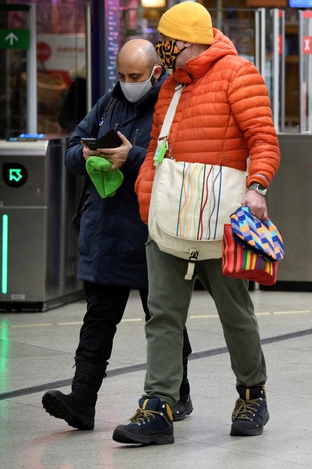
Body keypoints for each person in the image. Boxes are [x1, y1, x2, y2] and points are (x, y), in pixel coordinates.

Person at [112, 1, 280, 445]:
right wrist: (147, 198)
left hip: (222, 220)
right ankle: (158, 407)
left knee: (235, 313)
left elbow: (263, 138)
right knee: (162, 315)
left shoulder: (238, 74)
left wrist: (257, 185)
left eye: (167, 43)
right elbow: (156, 149)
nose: (162, 51)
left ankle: (252, 393)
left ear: (187, 42)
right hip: (169, 218)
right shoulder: (171, 87)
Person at [41, 39, 196, 430]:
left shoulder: (173, 105)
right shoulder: (107, 103)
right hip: (105, 231)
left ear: (155, 73)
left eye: (136, 77)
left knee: (162, 318)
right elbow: (72, 151)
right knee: (97, 321)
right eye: (122, 76)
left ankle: (178, 394)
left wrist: (133, 158)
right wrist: (89, 154)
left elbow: (183, 162)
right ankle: (82, 400)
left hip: (151, 230)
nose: (128, 83)